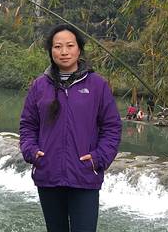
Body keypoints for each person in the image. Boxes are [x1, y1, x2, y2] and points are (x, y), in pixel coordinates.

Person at [19, 24, 122, 232]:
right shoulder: (40, 86)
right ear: (51, 51)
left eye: (70, 45)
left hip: (84, 175)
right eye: (58, 46)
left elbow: (112, 127)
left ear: (79, 49)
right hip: (48, 174)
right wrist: (32, 152)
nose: (64, 52)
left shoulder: (97, 85)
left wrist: (98, 158)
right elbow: (28, 125)